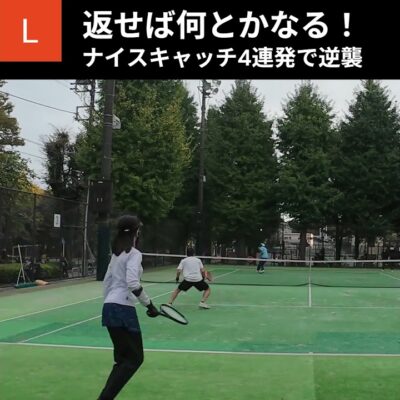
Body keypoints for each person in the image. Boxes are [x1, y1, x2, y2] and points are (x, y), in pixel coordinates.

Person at [98, 215, 159, 400]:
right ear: (136, 232)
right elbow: (132, 282)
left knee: (122, 360)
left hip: (109, 307)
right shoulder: (134, 254)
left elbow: (107, 282)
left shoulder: (116, 255)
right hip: (122, 309)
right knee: (134, 359)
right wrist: (149, 304)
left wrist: (109, 304)